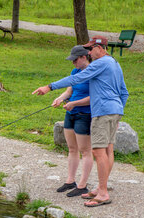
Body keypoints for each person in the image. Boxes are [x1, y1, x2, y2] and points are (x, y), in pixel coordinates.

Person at [32, 36, 129, 207]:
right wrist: (118, 112)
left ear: (100, 48)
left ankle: (103, 193)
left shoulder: (100, 63)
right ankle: (100, 188)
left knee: (98, 152)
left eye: (91, 49)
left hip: (102, 111)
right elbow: (124, 92)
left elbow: (76, 80)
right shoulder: (115, 63)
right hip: (113, 111)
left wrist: (49, 87)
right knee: (106, 151)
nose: (89, 53)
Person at [53, 45, 93, 197]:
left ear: (84, 57)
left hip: (84, 114)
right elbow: (69, 91)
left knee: (85, 150)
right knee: (72, 148)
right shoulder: (75, 72)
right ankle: (70, 180)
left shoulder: (93, 73)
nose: (73, 63)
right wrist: (60, 98)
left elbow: (93, 98)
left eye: (75, 60)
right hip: (71, 113)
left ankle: (83, 185)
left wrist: (74, 103)